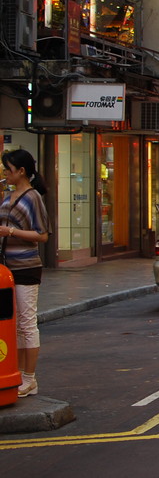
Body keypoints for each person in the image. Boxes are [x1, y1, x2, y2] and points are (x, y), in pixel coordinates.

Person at [0, 150, 50, 398]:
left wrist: (10, 232)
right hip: (7, 269)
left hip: (26, 267)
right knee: (14, 325)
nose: (5, 173)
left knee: (27, 323)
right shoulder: (7, 197)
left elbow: (42, 235)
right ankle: (17, 373)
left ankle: (29, 378)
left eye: (8, 169)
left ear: (21, 171)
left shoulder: (33, 198)